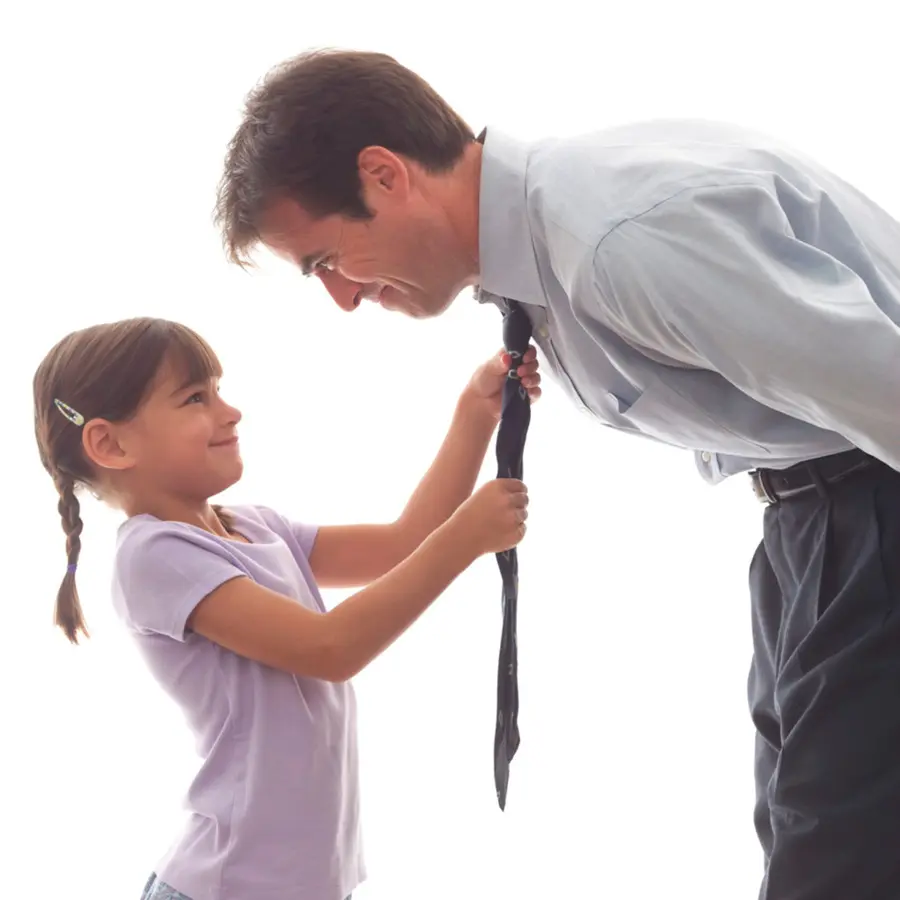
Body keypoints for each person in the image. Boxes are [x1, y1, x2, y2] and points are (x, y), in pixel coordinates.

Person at [214, 49, 900, 900]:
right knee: (815, 841)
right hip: (809, 519)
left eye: (323, 260)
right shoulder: (552, 245)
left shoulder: (613, 240)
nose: (343, 298)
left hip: (871, 506)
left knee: (837, 863)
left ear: (385, 176)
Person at [33, 316, 539, 900]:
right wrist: (465, 538)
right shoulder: (155, 555)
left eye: (218, 389)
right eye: (196, 398)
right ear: (110, 444)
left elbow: (405, 542)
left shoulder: (255, 527)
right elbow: (330, 647)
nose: (230, 412)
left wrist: (475, 413)